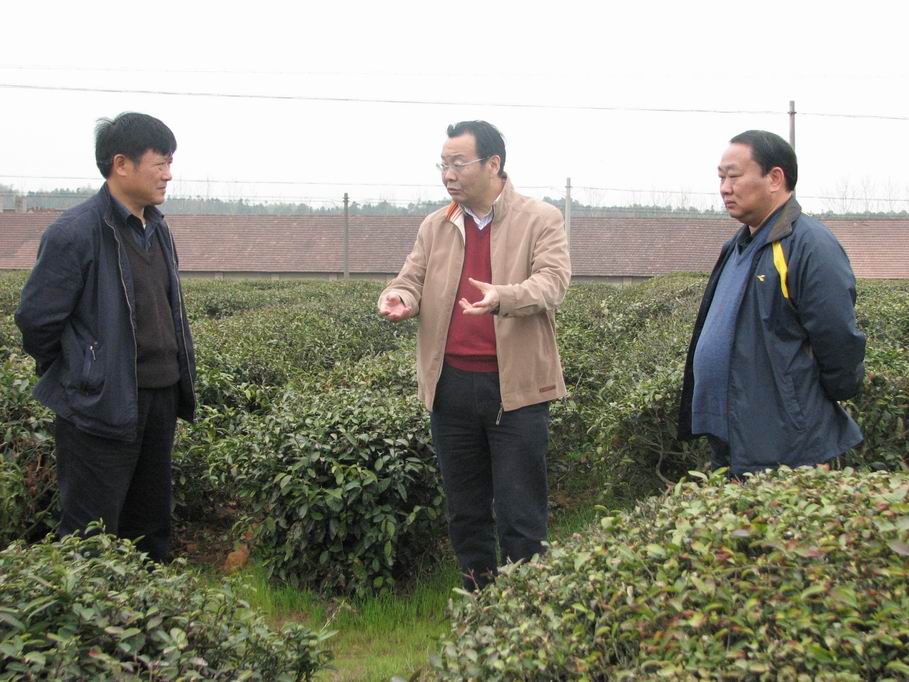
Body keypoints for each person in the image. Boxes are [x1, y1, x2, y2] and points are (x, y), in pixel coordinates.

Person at [378, 120, 571, 590]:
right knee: (465, 511)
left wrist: (504, 296)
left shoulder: (540, 218)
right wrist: (399, 296)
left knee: (520, 513)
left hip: (517, 391)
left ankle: (525, 608)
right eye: (443, 165)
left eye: (458, 163)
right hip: (451, 388)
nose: (449, 174)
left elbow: (553, 283)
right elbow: (411, 278)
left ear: (493, 164)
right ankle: (478, 603)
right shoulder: (436, 225)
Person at [15, 112, 196, 562]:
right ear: (121, 164)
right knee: (90, 534)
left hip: (159, 398)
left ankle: (151, 603)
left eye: (170, 163)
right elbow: (37, 321)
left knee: (150, 526)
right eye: (160, 163)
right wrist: (85, 373)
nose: (168, 175)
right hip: (100, 405)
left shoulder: (158, 228)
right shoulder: (74, 232)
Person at [678, 129, 865, 477]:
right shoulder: (736, 246)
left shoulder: (809, 245)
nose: (725, 188)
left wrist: (799, 404)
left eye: (734, 176)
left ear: (775, 178)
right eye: (720, 178)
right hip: (731, 434)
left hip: (782, 442)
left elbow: (838, 341)